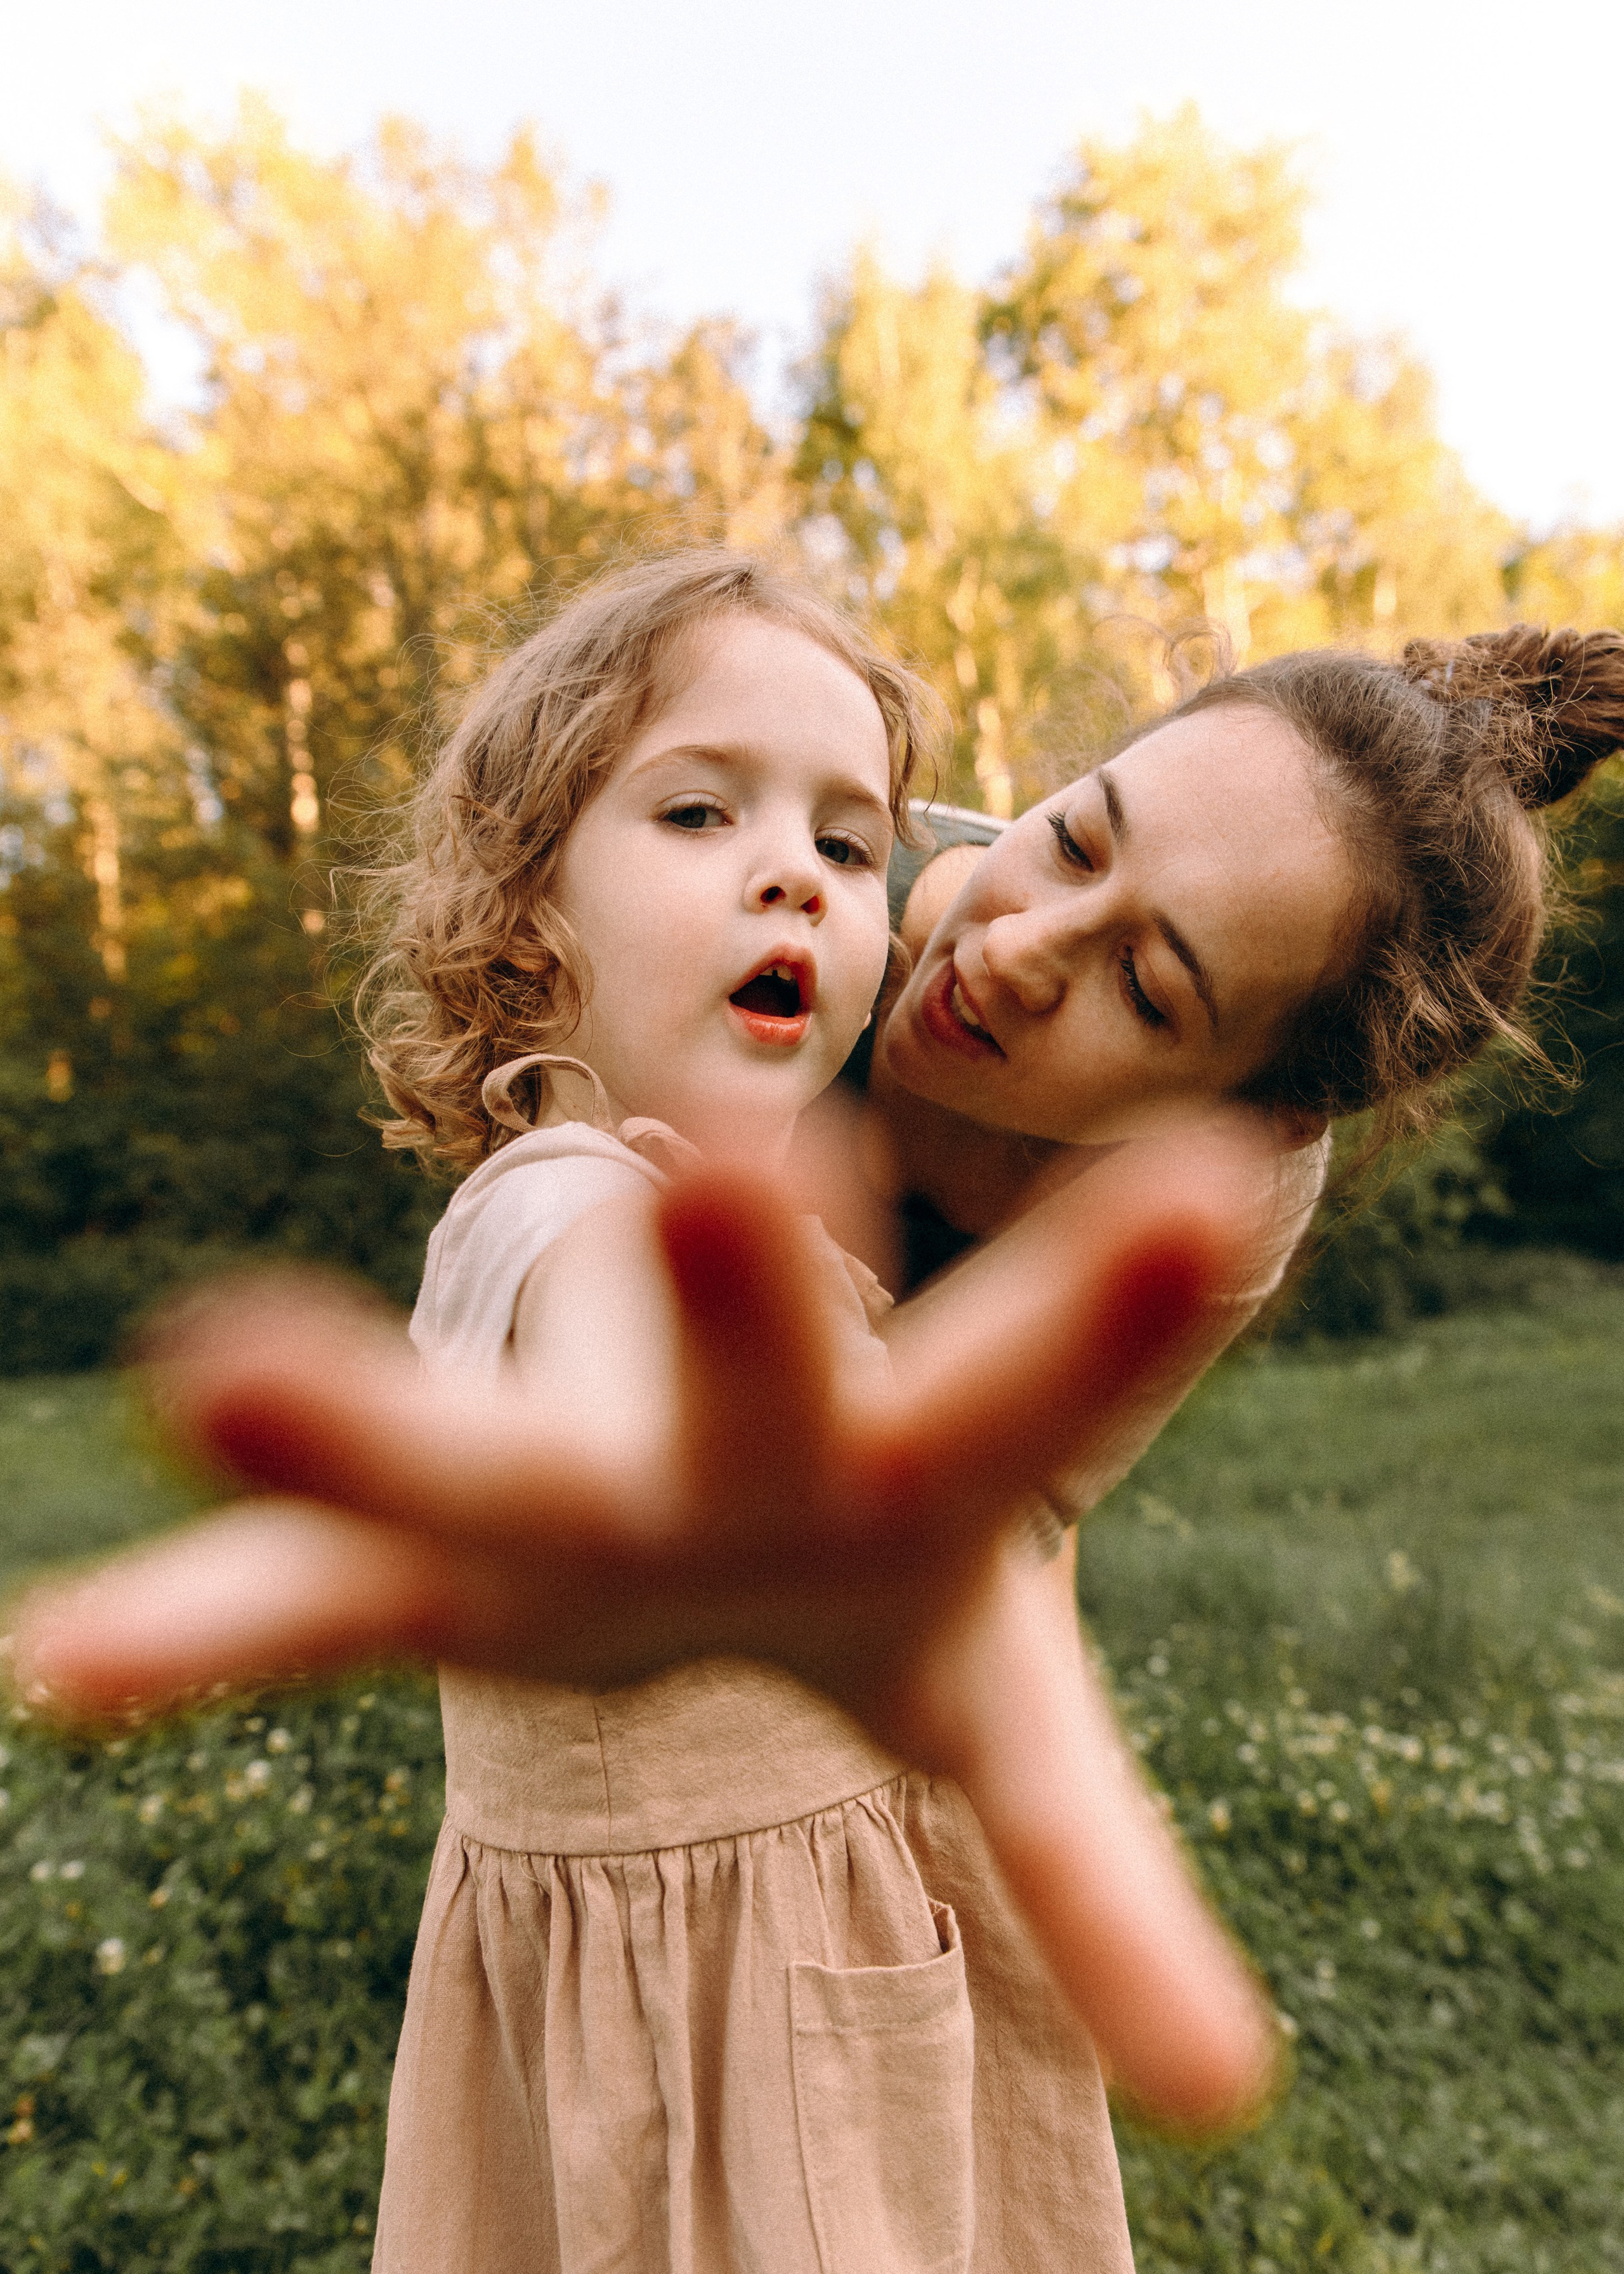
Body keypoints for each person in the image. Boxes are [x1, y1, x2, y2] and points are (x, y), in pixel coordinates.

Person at [14, 577, 1623, 2265]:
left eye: (1146, 992)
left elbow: (990, 1513)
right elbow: (595, 1264)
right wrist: (630, 1450)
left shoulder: (1218, 1185)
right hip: (652, 1958)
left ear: (1233, 1106)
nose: (999, 950)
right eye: (1073, 841)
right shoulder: (655, 1088)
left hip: (916, 1905)